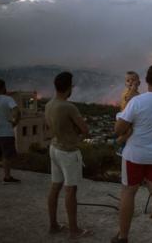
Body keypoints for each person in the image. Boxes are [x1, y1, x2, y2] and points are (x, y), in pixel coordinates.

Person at [112, 63, 152, 243]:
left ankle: (123, 236)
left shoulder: (137, 102)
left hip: (135, 156)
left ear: (146, 80)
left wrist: (121, 114)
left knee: (128, 193)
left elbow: (118, 129)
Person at [45, 72, 92, 239]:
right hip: (68, 152)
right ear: (68, 87)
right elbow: (85, 129)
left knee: (55, 186)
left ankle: (53, 225)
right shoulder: (68, 107)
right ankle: (74, 230)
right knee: (71, 191)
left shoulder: (49, 104)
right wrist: (78, 135)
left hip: (54, 148)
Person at [0, 79, 21, 183]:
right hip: (6, 132)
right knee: (6, 156)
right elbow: (17, 111)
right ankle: (7, 177)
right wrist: (15, 122)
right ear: (3, 87)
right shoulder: (8, 99)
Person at [115, 71, 141, 156]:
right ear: (125, 83)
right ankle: (120, 144)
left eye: (133, 80)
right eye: (128, 80)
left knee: (132, 131)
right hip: (123, 116)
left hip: (129, 116)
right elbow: (128, 99)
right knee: (129, 131)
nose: (130, 82)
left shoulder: (138, 94)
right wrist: (133, 89)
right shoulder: (127, 92)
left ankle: (124, 145)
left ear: (139, 83)